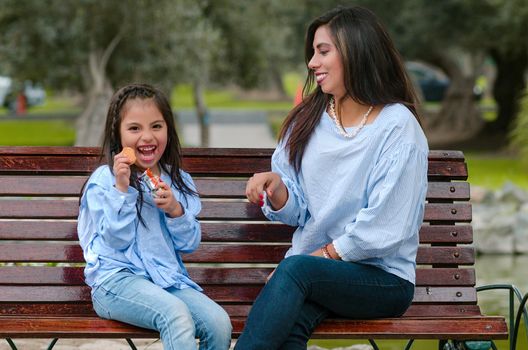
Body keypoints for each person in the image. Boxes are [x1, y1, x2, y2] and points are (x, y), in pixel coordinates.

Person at [235, 6, 428, 350]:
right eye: (313, 52)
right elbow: (300, 210)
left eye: (323, 51)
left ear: (356, 52)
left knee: (295, 272)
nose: (312, 63)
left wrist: (316, 258)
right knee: (291, 328)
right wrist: (279, 192)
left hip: (382, 279)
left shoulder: (397, 128)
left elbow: (384, 229)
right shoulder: (306, 121)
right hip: (315, 276)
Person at [77, 83, 232, 350]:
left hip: (165, 281)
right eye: (135, 128)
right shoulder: (105, 180)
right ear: (118, 134)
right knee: (175, 315)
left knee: (218, 323)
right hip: (115, 282)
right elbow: (114, 241)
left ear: (169, 131)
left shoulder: (178, 181)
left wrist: (175, 211)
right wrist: (122, 190)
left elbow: (189, 243)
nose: (147, 137)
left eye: (156, 126)